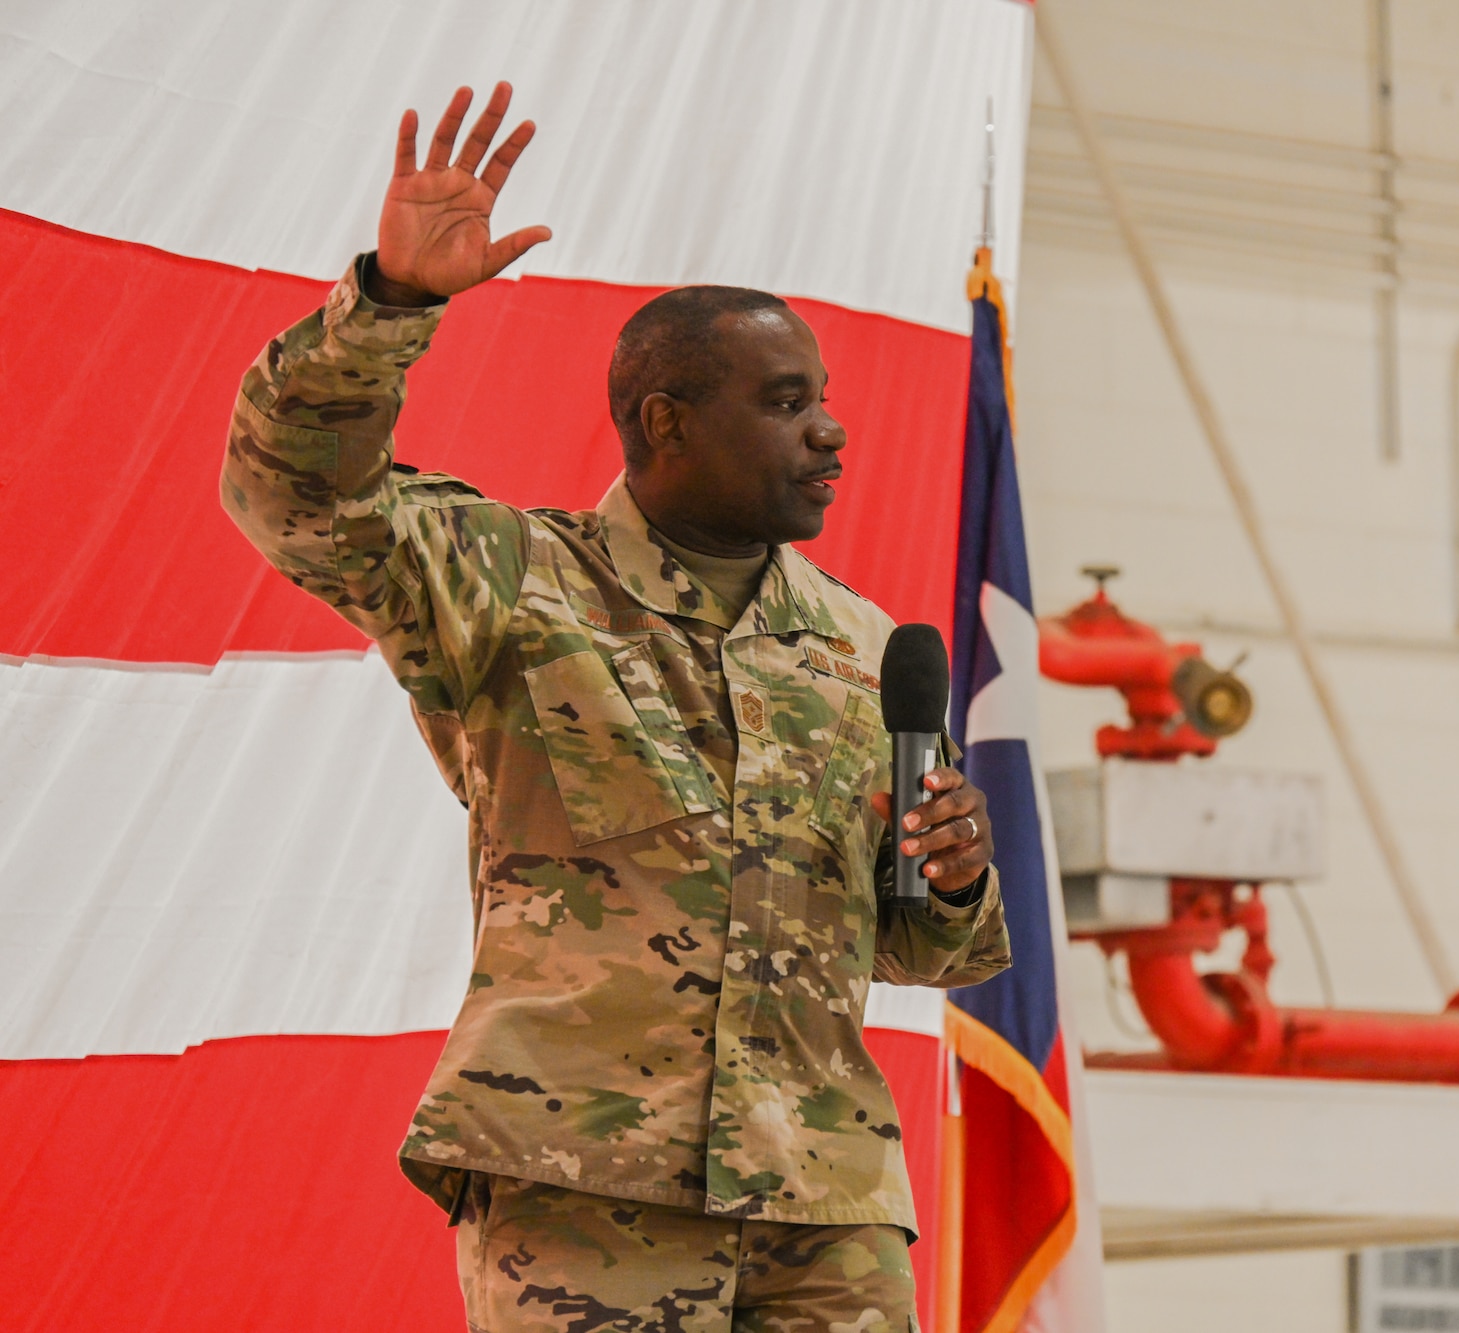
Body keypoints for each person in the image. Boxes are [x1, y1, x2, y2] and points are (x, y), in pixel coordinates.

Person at [222, 82, 1009, 1333]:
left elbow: (924, 949)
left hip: (826, 1198)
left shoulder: (861, 646)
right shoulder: (514, 583)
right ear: (664, 421)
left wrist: (954, 877)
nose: (829, 431)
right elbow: (298, 500)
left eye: (821, 398)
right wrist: (390, 304)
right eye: (784, 402)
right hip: (585, 1182)